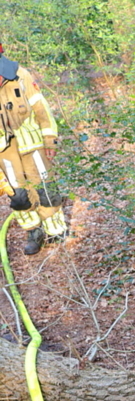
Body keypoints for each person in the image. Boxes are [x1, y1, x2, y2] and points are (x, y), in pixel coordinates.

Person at [0, 43, 67, 254]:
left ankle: (56, 231)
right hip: (5, 153)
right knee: (18, 196)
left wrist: (49, 139)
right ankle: (34, 231)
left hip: (34, 145)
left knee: (45, 190)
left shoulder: (20, 75)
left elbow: (41, 108)